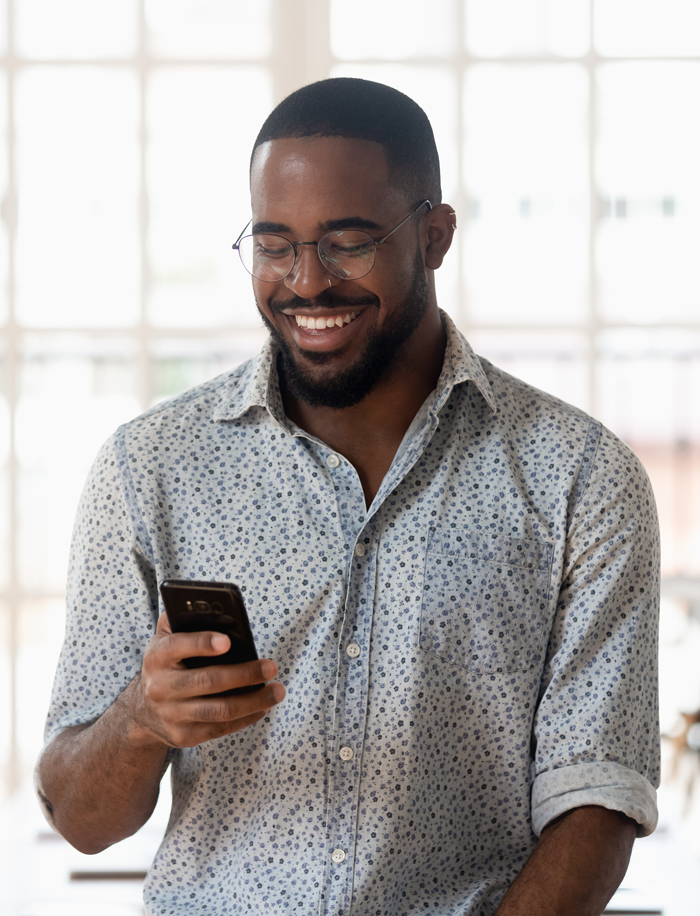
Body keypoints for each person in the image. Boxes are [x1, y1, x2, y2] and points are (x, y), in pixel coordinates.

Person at [36, 78, 660, 916]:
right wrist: (141, 721)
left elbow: (597, 800)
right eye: (274, 243)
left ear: (435, 236)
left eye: (348, 242)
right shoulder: (150, 468)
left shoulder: (580, 476)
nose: (306, 282)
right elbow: (81, 818)